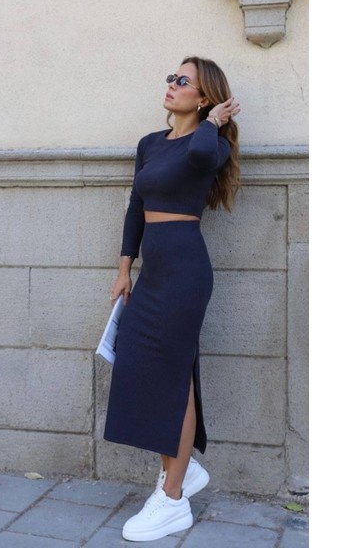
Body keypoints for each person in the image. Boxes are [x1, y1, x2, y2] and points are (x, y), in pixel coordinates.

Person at [104, 56, 240, 542]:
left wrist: (214, 122)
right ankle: (181, 472)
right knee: (142, 365)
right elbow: (136, 206)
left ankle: (173, 497)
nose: (172, 85)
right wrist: (125, 269)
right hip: (152, 273)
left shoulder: (211, 143)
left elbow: (201, 158)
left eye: (183, 81)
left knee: (175, 375)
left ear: (203, 98)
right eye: (171, 77)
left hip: (185, 271)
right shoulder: (149, 144)